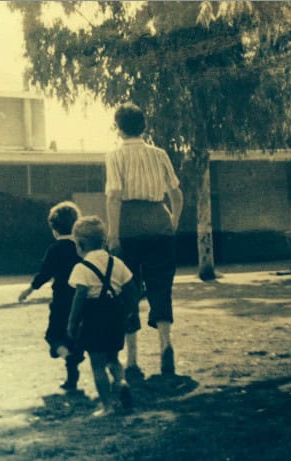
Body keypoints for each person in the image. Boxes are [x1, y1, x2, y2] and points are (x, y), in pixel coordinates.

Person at [106, 102, 184, 376]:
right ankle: (166, 345)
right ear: (144, 126)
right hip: (159, 223)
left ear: (118, 127)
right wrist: (172, 222)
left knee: (128, 290)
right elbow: (176, 193)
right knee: (161, 287)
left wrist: (113, 234)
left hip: (129, 226)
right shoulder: (159, 154)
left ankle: (133, 360)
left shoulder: (115, 156)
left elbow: (114, 195)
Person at [67, 216, 140, 417]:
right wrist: (131, 312)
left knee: (97, 364)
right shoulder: (116, 263)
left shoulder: (81, 269)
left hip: (94, 318)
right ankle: (121, 382)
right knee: (113, 358)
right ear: (103, 241)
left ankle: (107, 406)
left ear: (80, 245)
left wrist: (72, 323)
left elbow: (79, 297)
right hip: (116, 316)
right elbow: (132, 289)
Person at [18, 201, 85, 390]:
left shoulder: (54, 249)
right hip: (81, 299)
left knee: (54, 337)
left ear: (54, 229)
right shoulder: (81, 247)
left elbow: (44, 273)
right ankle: (72, 375)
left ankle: (68, 357)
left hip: (61, 301)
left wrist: (29, 289)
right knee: (75, 337)